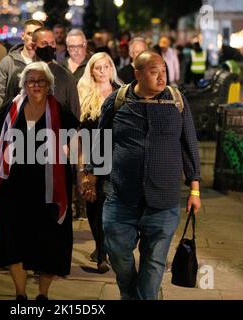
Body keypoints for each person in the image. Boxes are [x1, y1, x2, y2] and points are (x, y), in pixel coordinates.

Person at [82, 51, 201, 300]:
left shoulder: (177, 101)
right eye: (154, 71)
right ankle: (130, 293)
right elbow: (100, 142)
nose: (161, 78)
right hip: (122, 196)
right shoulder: (118, 101)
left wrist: (194, 189)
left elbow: (189, 144)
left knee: (154, 262)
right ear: (137, 73)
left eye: (164, 71)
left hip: (163, 199)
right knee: (118, 255)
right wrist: (91, 175)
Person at [0, 62, 79, 300]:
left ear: (49, 85)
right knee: (12, 235)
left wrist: (77, 165)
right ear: (24, 84)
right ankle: (20, 293)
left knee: (50, 238)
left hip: (50, 187)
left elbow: (78, 137)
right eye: (31, 81)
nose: (36, 85)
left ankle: (43, 295)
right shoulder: (11, 108)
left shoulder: (60, 110)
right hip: (15, 185)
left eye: (41, 81)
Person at [77, 52, 123, 273]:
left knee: (110, 206)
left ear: (112, 68)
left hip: (116, 157)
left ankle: (104, 253)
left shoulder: (122, 94)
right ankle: (100, 248)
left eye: (107, 66)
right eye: (98, 67)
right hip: (91, 157)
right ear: (92, 71)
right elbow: (79, 133)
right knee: (93, 205)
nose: (103, 71)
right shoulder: (84, 93)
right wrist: (82, 168)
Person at [0, 19, 44, 115]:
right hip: (12, 121)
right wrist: (3, 118)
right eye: (29, 34)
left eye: (36, 35)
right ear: (23, 36)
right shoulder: (8, 62)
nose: (32, 38)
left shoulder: (46, 63)